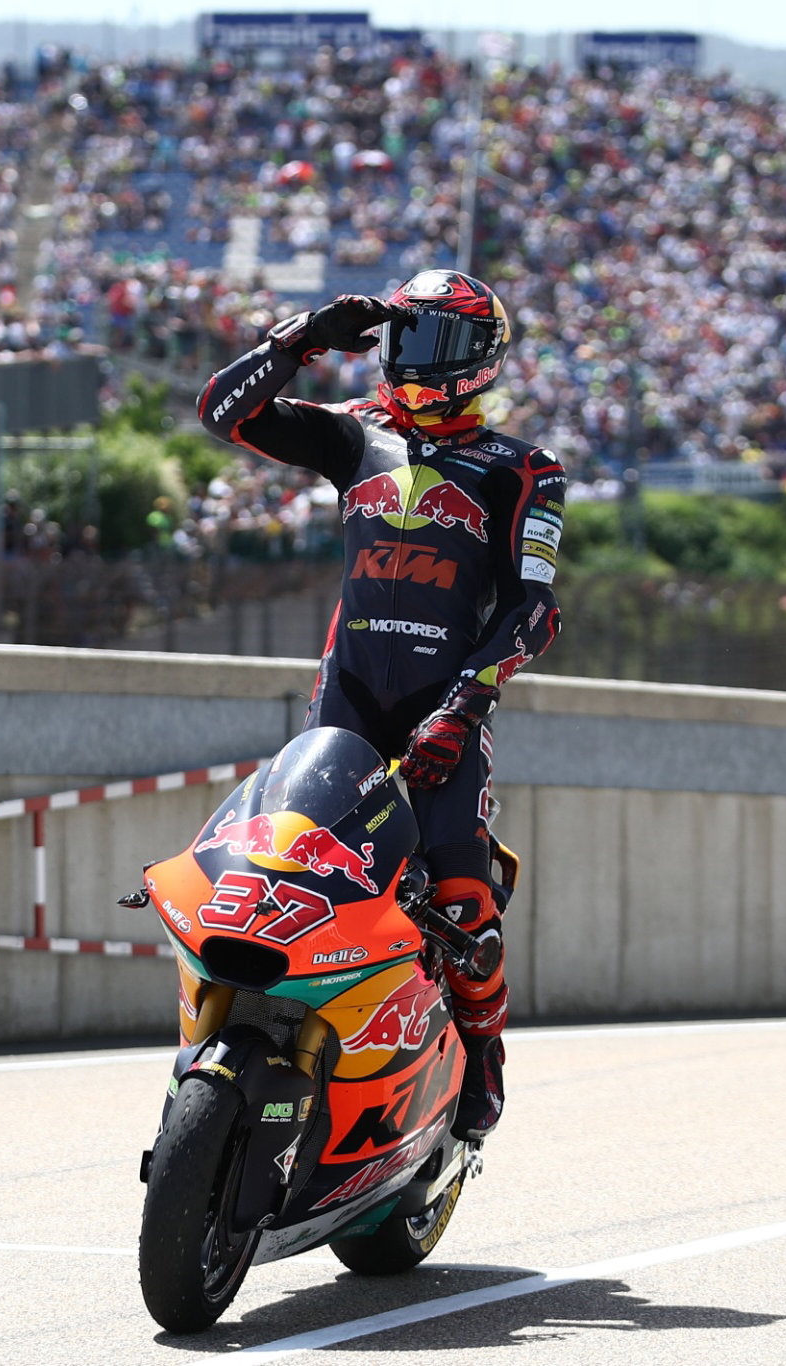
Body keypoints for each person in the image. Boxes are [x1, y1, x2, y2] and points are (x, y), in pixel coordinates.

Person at [197, 269, 566, 1139]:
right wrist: (300, 339)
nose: (406, 358)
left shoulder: (525, 471)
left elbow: (533, 611)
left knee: (467, 905)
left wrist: (462, 711)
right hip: (344, 708)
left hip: (447, 715)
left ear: (477, 360)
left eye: (428, 341)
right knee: (285, 874)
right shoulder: (354, 437)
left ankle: (482, 1055)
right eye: (401, 336)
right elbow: (223, 413)